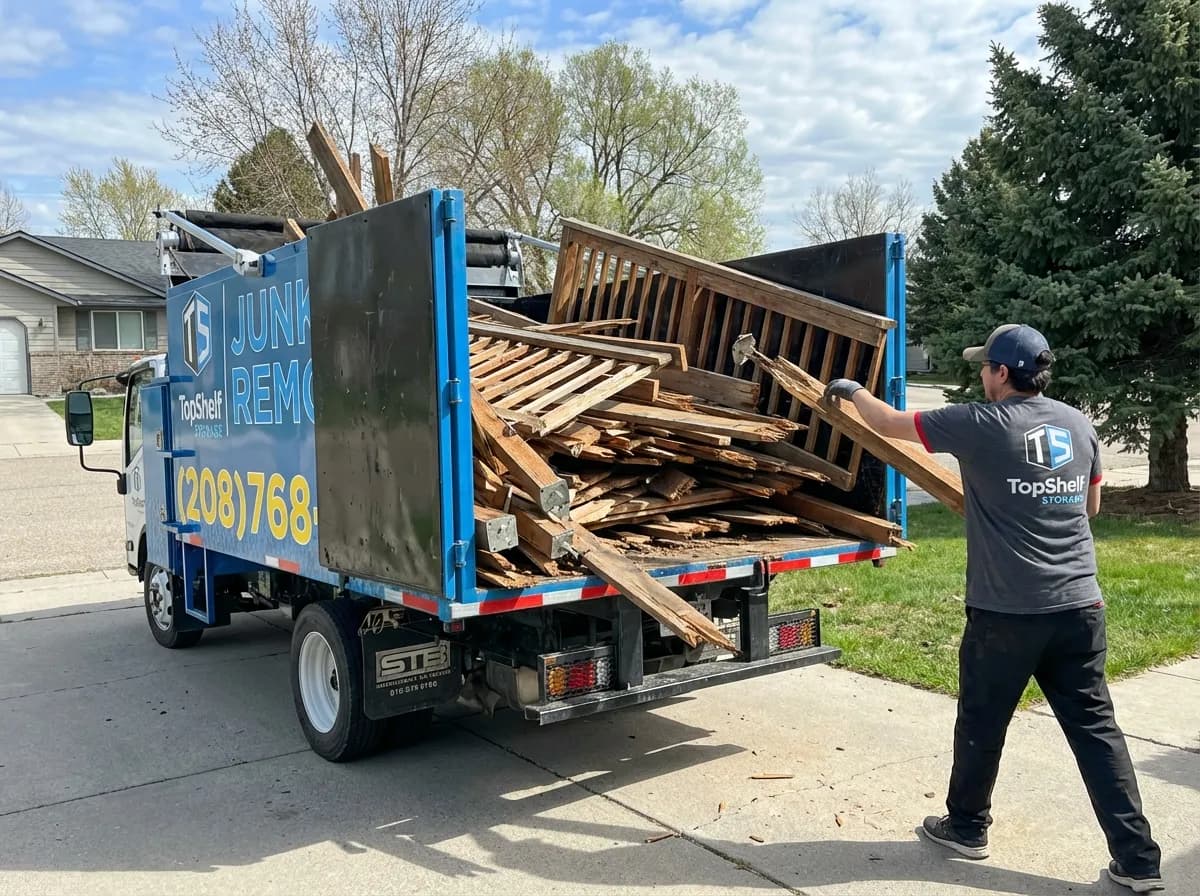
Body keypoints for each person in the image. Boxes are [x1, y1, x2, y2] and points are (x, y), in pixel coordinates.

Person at [822, 324, 1164, 894]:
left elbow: (884, 424)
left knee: (982, 722)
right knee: (1097, 733)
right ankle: (1139, 860)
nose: (979, 373)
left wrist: (850, 387)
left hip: (1006, 615)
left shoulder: (979, 424)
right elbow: (1092, 505)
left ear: (1002, 373)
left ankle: (966, 828)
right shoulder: (1078, 424)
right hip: (1081, 606)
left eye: (984, 366)